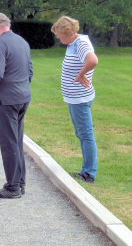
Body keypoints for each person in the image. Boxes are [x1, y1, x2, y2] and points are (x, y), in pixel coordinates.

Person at [0, 13, 33, 198]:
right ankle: (20, 184)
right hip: (23, 98)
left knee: (8, 143)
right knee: (17, 141)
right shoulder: (22, 41)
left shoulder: (0, 43)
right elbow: (30, 71)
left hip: (7, 100)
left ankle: (12, 188)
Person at [51, 16, 98, 183]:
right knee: (81, 133)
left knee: (86, 135)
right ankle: (87, 170)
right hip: (73, 98)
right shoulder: (72, 44)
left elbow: (93, 60)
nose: (57, 36)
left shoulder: (81, 43)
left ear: (66, 31)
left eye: (58, 33)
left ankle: (89, 173)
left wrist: (81, 74)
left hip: (80, 98)